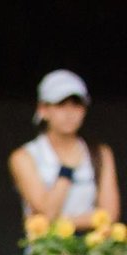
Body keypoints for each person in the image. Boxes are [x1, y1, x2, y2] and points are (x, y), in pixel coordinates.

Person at [9, 69, 120, 231]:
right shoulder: (24, 157)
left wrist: (61, 222)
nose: (69, 113)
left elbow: (109, 215)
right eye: (60, 105)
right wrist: (66, 171)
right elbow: (46, 213)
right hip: (46, 246)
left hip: (93, 245)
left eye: (76, 105)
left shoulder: (101, 153)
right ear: (43, 109)